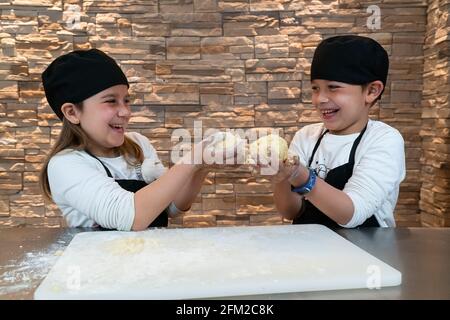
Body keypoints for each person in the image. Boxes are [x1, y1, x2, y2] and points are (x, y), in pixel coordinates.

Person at [39, 49, 231, 231]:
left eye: (127, 100)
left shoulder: (138, 144)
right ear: (72, 112)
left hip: (147, 260)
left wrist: (202, 167)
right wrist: (192, 159)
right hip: (101, 263)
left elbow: (171, 208)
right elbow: (131, 217)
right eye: (111, 101)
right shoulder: (65, 165)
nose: (126, 112)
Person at [271, 35, 406, 228]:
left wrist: (300, 175)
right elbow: (291, 211)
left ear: (371, 91)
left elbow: (352, 214)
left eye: (333, 88)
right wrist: (280, 176)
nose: (320, 99)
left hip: (366, 254)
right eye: (316, 88)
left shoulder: (384, 140)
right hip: (310, 253)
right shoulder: (306, 136)